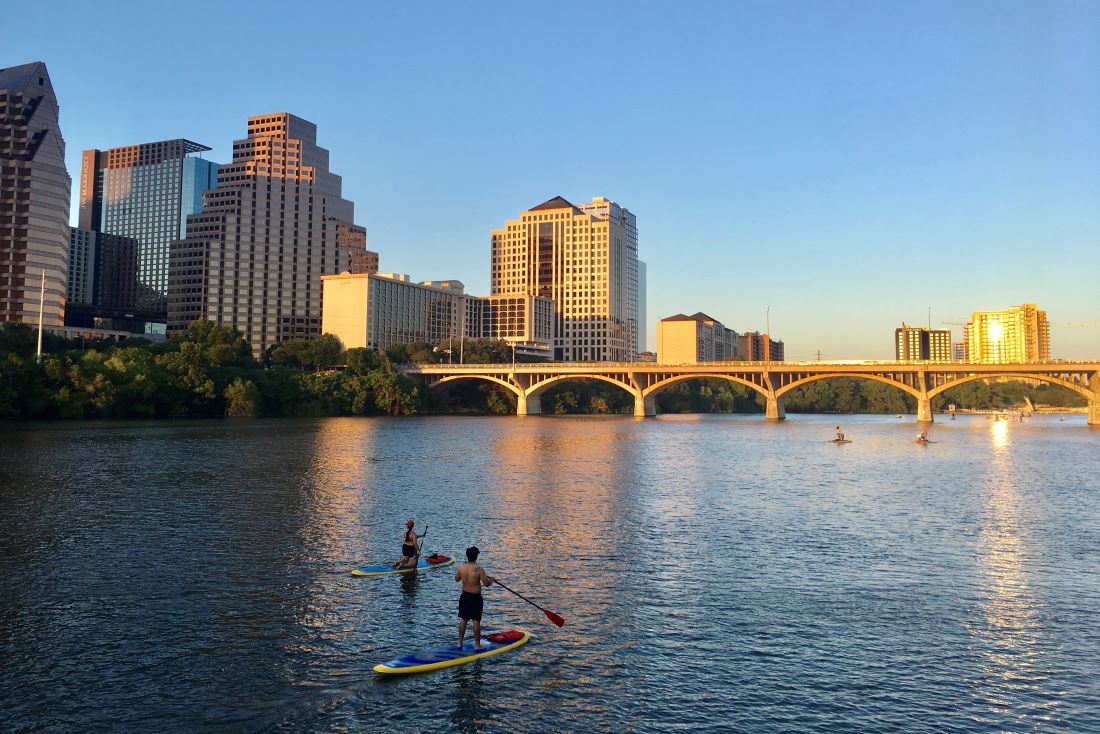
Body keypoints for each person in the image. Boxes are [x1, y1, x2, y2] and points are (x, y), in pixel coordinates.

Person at [455, 546, 494, 650]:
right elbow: (486, 584)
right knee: (476, 621)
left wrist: (463, 573)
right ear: (476, 556)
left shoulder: (461, 567)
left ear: (467, 556)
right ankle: (477, 645)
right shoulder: (479, 569)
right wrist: (492, 580)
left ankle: (459, 642)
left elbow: (457, 579)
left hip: (464, 596)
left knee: (463, 619)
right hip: (475, 598)